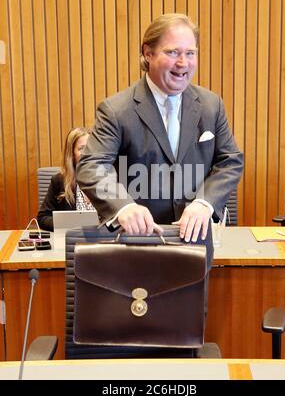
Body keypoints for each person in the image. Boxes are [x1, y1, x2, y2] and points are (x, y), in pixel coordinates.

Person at [76, 13, 243, 266]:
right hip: (137, 244)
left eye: (190, 53)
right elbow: (91, 166)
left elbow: (230, 161)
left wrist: (205, 202)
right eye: (173, 52)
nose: (183, 63)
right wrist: (123, 206)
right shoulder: (116, 109)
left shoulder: (211, 105)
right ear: (148, 53)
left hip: (195, 245)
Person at [37, 127, 95, 231]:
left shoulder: (109, 179)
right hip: (71, 241)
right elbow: (43, 218)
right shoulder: (59, 181)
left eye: (90, 147)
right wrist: (67, 224)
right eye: (81, 148)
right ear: (71, 154)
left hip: (103, 241)